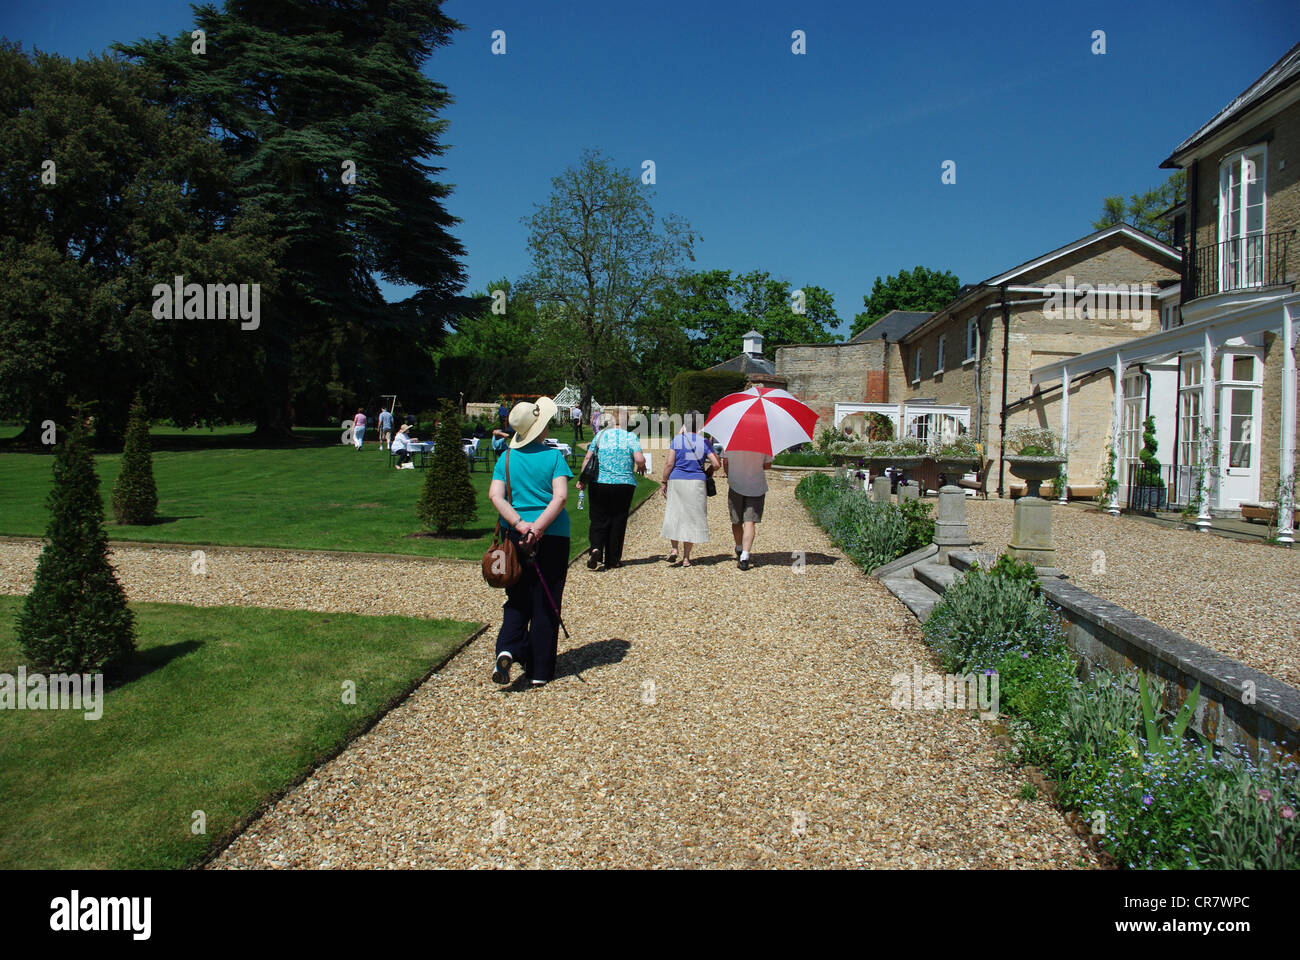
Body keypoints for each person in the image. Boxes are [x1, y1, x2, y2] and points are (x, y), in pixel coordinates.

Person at [488, 398, 572, 689]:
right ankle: (539, 670)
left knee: (517, 597)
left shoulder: (506, 459)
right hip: (553, 535)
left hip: (516, 536)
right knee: (546, 601)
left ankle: (507, 649)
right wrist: (537, 529)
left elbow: (495, 496)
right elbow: (560, 497)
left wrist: (521, 525)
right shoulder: (554, 458)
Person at [576, 408, 645, 571]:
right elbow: (639, 459)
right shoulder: (630, 437)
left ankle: (596, 548)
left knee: (598, 518)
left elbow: (588, 457)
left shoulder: (600, 436)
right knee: (618, 521)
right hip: (624, 484)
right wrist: (642, 466)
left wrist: (582, 480)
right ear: (627, 422)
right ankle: (613, 559)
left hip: (600, 483)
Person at [659, 414, 721, 567]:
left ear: (684, 424)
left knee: (675, 513)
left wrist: (663, 481)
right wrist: (709, 471)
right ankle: (686, 558)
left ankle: (674, 549)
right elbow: (716, 463)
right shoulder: (704, 441)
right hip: (696, 481)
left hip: (677, 479)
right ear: (700, 427)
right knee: (692, 517)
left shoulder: (677, 440)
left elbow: (669, 464)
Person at [720, 446, 772, 570]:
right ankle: (745, 556)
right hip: (756, 486)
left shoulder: (731, 443)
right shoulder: (764, 444)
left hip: (736, 484)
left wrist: (730, 476)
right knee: (750, 522)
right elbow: (768, 465)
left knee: (736, 520)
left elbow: (725, 462)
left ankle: (739, 547)